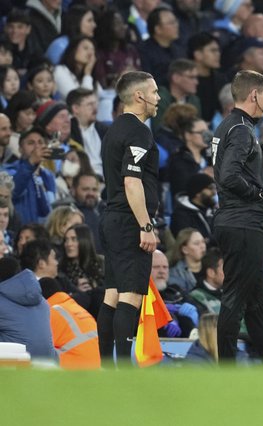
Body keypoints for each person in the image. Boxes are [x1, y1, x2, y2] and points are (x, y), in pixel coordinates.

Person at [211, 69, 263, 361]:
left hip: (237, 222)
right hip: (242, 223)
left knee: (255, 301)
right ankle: (226, 367)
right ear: (254, 95)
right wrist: (259, 194)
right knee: (236, 298)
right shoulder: (241, 130)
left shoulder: (228, 125)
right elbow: (229, 176)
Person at [97, 71, 160, 367]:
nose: (158, 98)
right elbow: (132, 182)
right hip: (128, 222)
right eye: (155, 92)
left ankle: (107, 368)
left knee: (112, 294)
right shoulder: (138, 131)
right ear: (139, 96)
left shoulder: (113, 130)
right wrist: (145, 226)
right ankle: (122, 373)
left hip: (112, 219)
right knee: (131, 296)